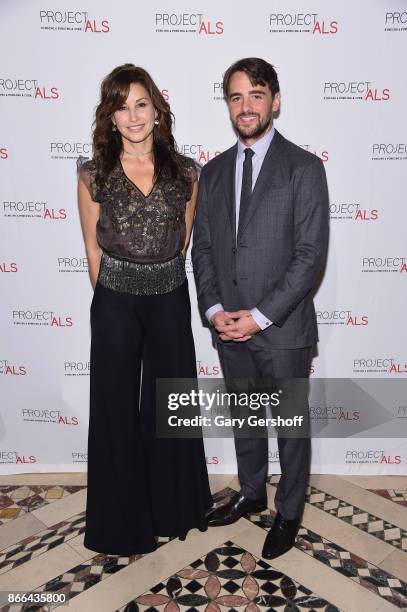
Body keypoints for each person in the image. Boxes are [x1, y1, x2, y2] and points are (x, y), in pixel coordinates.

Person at [192, 57, 329, 559]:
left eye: (255, 94)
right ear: (227, 104)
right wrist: (214, 310)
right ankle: (251, 494)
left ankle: (288, 512)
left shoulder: (304, 168)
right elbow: (202, 249)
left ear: (275, 100)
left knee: (291, 428)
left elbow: (309, 255)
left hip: (284, 328)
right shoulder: (213, 171)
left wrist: (260, 315)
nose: (245, 106)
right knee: (246, 418)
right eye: (235, 96)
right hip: (228, 326)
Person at [78, 63, 212, 555]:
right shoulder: (93, 173)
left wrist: (158, 285)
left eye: (140, 104)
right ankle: (120, 525)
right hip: (115, 299)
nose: (132, 116)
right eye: (121, 106)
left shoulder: (186, 172)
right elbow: (93, 248)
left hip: (170, 296)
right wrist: (113, 295)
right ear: (109, 117)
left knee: (170, 404)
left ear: (157, 110)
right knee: (115, 407)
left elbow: (184, 240)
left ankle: (173, 509)